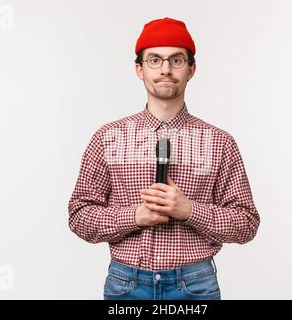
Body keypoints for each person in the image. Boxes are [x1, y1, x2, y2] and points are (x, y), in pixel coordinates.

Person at [68, 17, 260, 300]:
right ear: (139, 69)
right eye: (155, 60)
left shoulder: (219, 142)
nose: (166, 70)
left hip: (195, 285)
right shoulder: (107, 137)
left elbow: (246, 224)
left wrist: (189, 210)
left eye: (177, 60)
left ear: (191, 69)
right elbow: (79, 215)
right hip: (127, 284)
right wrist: (134, 216)